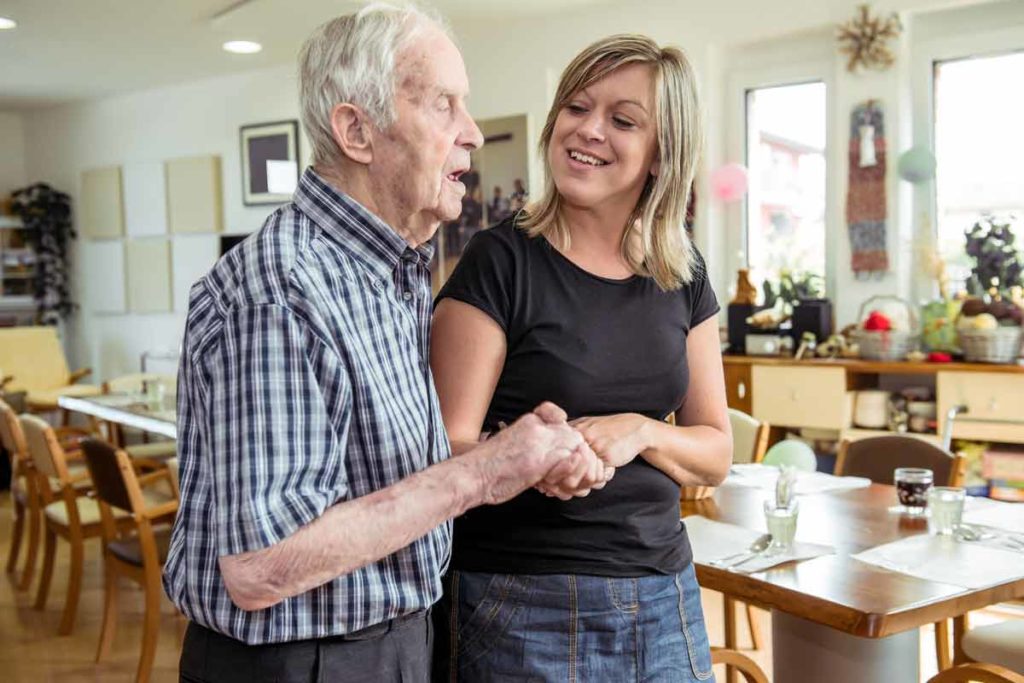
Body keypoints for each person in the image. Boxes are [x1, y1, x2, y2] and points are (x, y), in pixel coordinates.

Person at [163, 5, 608, 681]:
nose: (473, 134)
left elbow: (382, 480)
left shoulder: (392, 272)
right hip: (302, 662)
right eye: (444, 105)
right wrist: (484, 474)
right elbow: (261, 564)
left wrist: (510, 453)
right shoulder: (282, 286)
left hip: (395, 643)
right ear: (356, 130)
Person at [430, 33, 732, 681]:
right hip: (518, 597)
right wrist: (535, 456)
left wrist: (641, 429)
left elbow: (716, 451)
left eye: (623, 120)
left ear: (660, 154)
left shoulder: (684, 274)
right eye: (576, 107)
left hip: (663, 591)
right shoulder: (500, 260)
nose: (588, 130)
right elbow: (445, 445)